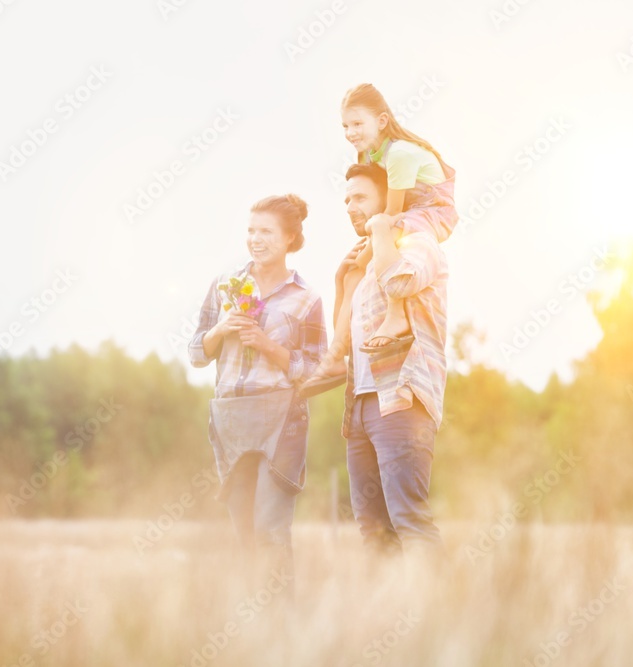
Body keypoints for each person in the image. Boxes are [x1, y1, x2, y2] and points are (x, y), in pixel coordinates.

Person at [188, 194, 326, 593]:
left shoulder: (307, 298)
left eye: (265, 231)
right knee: (244, 533)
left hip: (280, 417)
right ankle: (254, 630)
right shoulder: (224, 286)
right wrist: (222, 329)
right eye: (251, 230)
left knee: (270, 528)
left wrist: (267, 345)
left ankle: (282, 628)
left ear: (289, 238)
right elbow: (197, 353)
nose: (255, 239)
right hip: (230, 417)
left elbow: (315, 369)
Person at [300, 83, 457, 397]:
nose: (350, 132)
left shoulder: (398, 154)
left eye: (358, 123)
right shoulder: (372, 153)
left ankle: (396, 316)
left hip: (431, 209)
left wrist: (370, 249)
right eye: (346, 125)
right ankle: (334, 356)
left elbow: (391, 213)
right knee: (358, 267)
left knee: (381, 234)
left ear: (382, 121)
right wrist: (358, 263)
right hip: (405, 212)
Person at [332, 163, 448, 561]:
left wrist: (382, 229)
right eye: (346, 199)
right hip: (361, 404)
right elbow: (343, 344)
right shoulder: (365, 270)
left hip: (401, 397)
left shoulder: (420, 242)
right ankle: (388, 617)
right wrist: (342, 281)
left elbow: (399, 281)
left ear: (388, 199)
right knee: (373, 530)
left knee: (409, 519)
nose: (350, 206)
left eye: (360, 197)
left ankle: (437, 611)